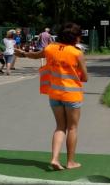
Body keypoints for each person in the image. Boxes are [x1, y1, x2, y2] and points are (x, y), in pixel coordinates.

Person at [15, 23, 89, 170]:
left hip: (54, 94)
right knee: (72, 128)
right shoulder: (77, 53)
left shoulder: (50, 48)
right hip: (72, 95)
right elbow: (85, 77)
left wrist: (22, 53)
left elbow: (35, 55)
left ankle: (55, 159)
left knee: (60, 127)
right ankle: (70, 162)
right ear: (76, 38)